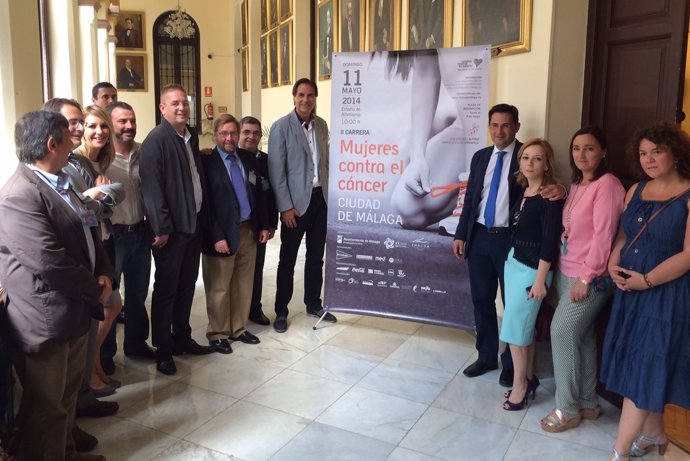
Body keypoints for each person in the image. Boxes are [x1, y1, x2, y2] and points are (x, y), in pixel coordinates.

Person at [0, 110, 113, 461]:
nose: (74, 141)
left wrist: (105, 271)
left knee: (65, 398)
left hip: (73, 306)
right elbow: (48, 261)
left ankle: (67, 455)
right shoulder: (19, 195)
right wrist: (95, 289)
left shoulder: (60, 176)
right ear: (52, 144)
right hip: (46, 315)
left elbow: (89, 224)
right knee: (47, 407)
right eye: (69, 138)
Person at [601, 121, 690, 461]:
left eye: (657, 151)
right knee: (640, 364)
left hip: (664, 295)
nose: (649, 159)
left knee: (644, 368)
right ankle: (654, 434)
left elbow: (688, 254)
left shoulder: (688, 195)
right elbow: (624, 235)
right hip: (629, 291)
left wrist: (647, 280)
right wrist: (612, 262)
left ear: (675, 154)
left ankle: (619, 453)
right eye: (643, 153)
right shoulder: (636, 190)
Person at [540, 127, 624, 432]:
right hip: (566, 270)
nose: (581, 155)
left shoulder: (608, 185)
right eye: (576, 148)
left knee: (561, 332)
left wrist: (586, 278)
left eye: (589, 148)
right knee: (583, 337)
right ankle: (588, 402)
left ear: (603, 151)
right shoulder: (577, 184)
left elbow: (604, 236)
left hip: (591, 276)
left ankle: (567, 410)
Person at [140, 84, 212, 376]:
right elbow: (152, 189)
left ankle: (182, 338)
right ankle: (164, 350)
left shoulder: (189, 138)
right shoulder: (156, 141)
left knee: (186, 287)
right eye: (175, 103)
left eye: (184, 102)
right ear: (162, 108)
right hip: (171, 231)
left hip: (192, 224)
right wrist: (161, 227)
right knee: (166, 291)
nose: (181, 107)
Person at [452, 104, 522, 387]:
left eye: (505, 125)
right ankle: (486, 356)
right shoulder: (481, 157)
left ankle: (511, 363)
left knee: (513, 304)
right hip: (480, 236)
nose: (499, 131)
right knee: (481, 299)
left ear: (516, 126)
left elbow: (546, 185)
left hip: (510, 240)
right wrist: (460, 234)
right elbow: (470, 199)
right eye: (494, 125)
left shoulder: (526, 156)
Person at [268, 78, 337, 332]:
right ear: (294, 97)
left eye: (310, 95)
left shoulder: (321, 126)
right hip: (295, 206)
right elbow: (277, 172)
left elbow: (325, 164)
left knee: (316, 257)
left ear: (315, 98)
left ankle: (313, 303)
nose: (305, 99)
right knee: (287, 259)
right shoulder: (281, 127)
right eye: (301, 95)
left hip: (321, 201)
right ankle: (281, 310)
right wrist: (285, 207)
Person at [499, 139, 563, 411]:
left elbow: (550, 243)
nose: (529, 163)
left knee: (514, 328)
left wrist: (540, 280)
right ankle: (528, 378)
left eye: (537, 158)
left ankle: (520, 387)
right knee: (521, 328)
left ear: (546, 164)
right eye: (526, 157)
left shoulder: (551, 198)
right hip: (513, 263)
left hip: (533, 271)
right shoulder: (522, 191)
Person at [201, 114, 271, 354]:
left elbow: (258, 195)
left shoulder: (247, 158)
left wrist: (262, 225)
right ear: (215, 135)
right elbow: (205, 205)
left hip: (247, 230)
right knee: (219, 286)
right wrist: (216, 236)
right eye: (224, 133)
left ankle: (238, 328)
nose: (229, 138)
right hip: (221, 234)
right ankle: (218, 333)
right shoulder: (206, 163)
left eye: (233, 133)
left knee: (243, 283)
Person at [101, 101, 156, 364]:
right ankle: (106, 353)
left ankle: (135, 343)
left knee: (137, 292)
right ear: (110, 124)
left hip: (140, 231)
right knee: (111, 297)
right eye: (122, 121)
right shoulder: (101, 158)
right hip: (114, 235)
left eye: (132, 120)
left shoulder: (142, 152)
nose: (129, 126)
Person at [75, 105, 124, 397]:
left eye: (104, 126)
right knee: (105, 307)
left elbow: (102, 204)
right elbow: (81, 208)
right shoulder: (75, 162)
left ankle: (94, 369)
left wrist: (101, 197)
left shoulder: (97, 165)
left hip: (103, 241)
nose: (99, 132)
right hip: (88, 247)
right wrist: (98, 197)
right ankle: (90, 375)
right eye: (92, 126)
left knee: (110, 306)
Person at [239, 116, 279, 326]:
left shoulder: (266, 161)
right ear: (239, 133)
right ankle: (236, 312)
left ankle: (255, 308)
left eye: (255, 133)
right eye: (246, 132)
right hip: (237, 227)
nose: (251, 137)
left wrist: (272, 224)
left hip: (259, 226)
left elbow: (272, 195)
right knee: (235, 273)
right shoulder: (231, 158)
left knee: (256, 269)